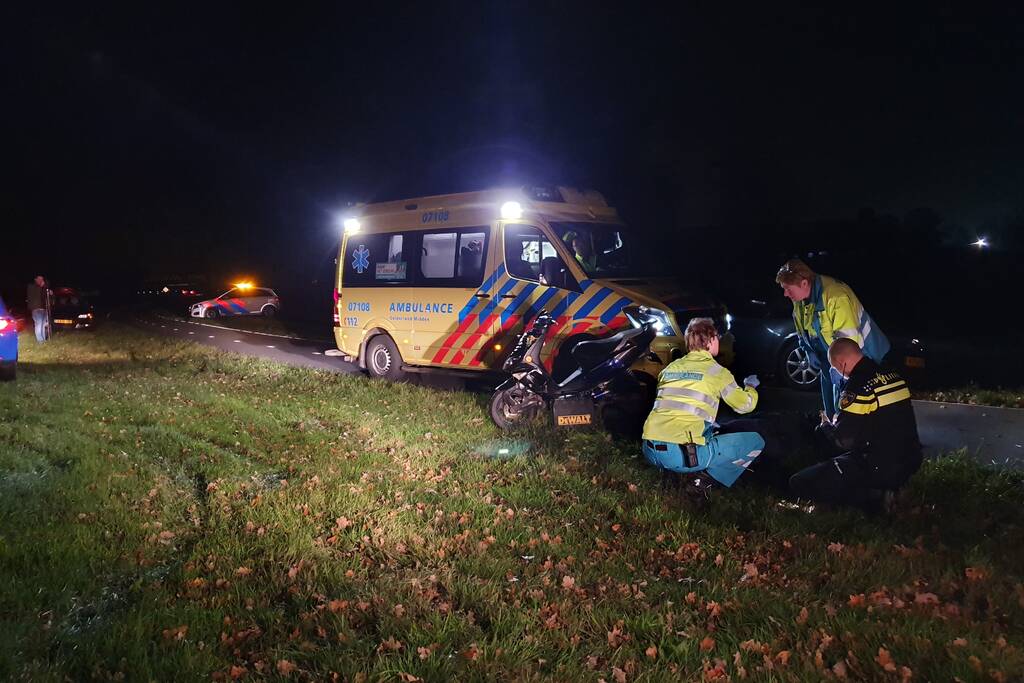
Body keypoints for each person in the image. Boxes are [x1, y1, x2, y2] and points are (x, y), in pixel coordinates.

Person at [789, 338, 922, 510]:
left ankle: (875, 498)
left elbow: (844, 441)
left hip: (879, 465)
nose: (837, 372)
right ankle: (890, 489)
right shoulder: (892, 375)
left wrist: (827, 428)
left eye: (835, 368)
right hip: (910, 458)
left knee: (799, 482)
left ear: (841, 362)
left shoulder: (858, 386)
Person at [642, 317, 765, 487]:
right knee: (756, 441)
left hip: (650, 450)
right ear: (712, 339)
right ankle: (701, 484)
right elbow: (746, 405)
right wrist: (750, 386)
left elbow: (674, 406)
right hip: (680, 455)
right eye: (717, 337)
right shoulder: (717, 372)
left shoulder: (669, 369)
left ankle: (670, 474)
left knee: (711, 428)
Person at [776, 258, 890, 419]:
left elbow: (850, 343)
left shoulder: (835, 296)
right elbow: (802, 329)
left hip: (862, 355)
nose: (785, 293)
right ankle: (833, 430)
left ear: (803, 283)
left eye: (788, 289)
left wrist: (842, 372)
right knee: (831, 407)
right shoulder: (799, 300)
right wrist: (808, 350)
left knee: (850, 407)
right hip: (831, 359)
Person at [27, 275, 50, 343]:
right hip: (36, 309)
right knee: (39, 324)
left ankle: (43, 340)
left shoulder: (42, 288)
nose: (41, 280)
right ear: (35, 279)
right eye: (39, 279)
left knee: (43, 325)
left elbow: (44, 296)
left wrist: (49, 292)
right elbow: (37, 291)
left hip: (43, 309)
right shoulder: (31, 286)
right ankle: (40, 341)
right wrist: (43, 286)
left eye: (42, 279)